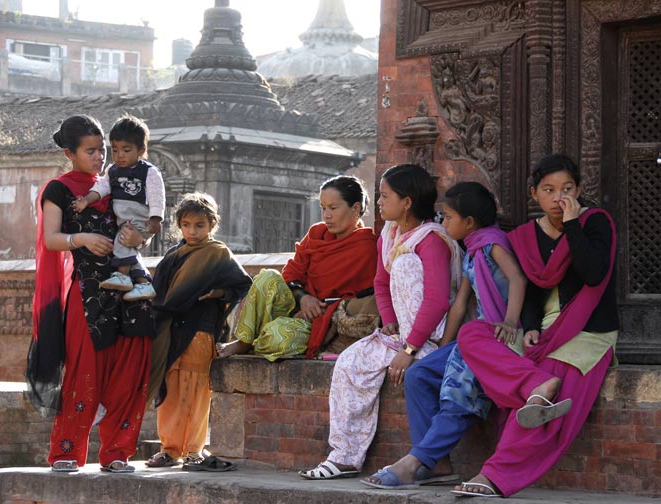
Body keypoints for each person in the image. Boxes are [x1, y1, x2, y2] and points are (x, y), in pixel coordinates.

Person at [453, 154, 618, 497]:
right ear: (534, 194)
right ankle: (536, 384)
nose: (559, 198)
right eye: (549, 189)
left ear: (579, 190)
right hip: (542, 330)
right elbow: (530, 291)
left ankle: (494, 476)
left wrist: (573, 225)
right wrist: (528, 325)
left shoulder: (596, 223)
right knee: (473, 333)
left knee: (543, 400)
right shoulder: (526, 236)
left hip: (588, 332)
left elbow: (595, 273)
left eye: (567, 189)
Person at [299, 164, 462, 480]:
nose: (380, 202)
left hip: (433, 339)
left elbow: (438, 299)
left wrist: (411, 347)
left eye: (386, 196)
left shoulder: (431, 239)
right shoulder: (389, 234)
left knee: (405, 267)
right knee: (349, 363)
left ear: (407, 202)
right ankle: (345, 456)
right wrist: (389, 323)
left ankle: (434, 463)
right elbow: (380, 283)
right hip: (401, 335)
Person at [360, 181, 526, 489]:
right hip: (471, 340)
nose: (443, 222)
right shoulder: (470, 252)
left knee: (458, 392)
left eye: (448, 217)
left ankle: (416, 462)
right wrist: (444, 346)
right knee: (419, 374)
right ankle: (438, 465)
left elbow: (517, 278)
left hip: (498, 339)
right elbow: (460, 304)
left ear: (469, 223)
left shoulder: (493, 243)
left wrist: (511, 322)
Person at [26, 114, 153, 474]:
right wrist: (80, 238)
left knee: (132, 368)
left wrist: (139, 237)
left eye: (104, 150)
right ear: (70, 153)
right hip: (88, 290)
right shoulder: (59, 190)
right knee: (85, 369)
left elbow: (143, 224)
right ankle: (67, 451)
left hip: (131, 286)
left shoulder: (115, 182)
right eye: (92, 151)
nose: (101, 158)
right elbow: (51, 239)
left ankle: (117, 453)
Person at [217, 175, 377, 361]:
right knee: (267, 276)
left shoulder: (367, 247)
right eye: (323, 208)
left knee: (278, 337)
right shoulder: (316, 234)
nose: (326, 215)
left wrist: (317, 309)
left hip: (319, 322)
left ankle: (259, 339)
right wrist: (303, 298)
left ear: (355, 208)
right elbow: (291, 273)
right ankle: (243, 342)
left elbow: (359, 298)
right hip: (294, 304)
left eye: (333, 208)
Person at [145, 192, 251, 470]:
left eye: (199, 225)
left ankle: (195, 450)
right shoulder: (172, 255)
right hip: (170, 331)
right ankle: (169, 449)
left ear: (212, 225)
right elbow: (160, 293)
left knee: (196, 391)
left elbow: (242, 286)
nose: (192, 231)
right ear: (179, 225)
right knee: (169, 391)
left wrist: (220, 292)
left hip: (201, 330)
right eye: (187, 224)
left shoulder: (218, 253)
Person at [73, 114, 165, 301]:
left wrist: (156, 219)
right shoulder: (112, 171)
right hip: (124, 219)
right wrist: (86, 200)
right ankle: (144, 284)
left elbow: (157, 195)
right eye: (115, 150)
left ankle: (123, 277)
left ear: (141, 150)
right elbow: (101, 188)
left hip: (140, 219)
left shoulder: (148, 171)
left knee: (123, 243)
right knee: (126, 246)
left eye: (126, 150)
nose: (120, 155)